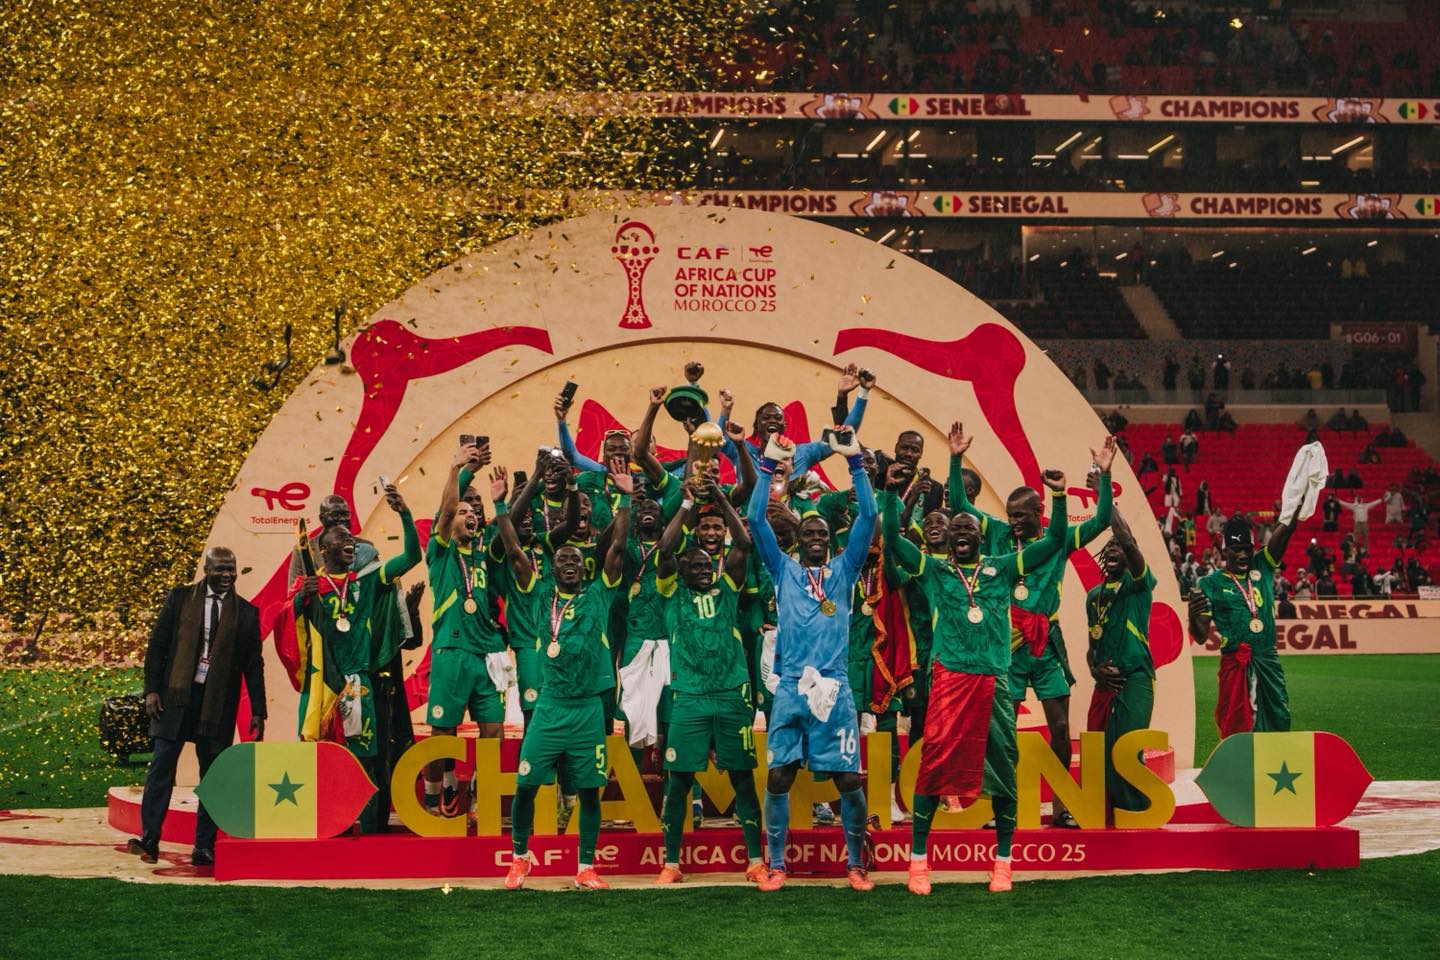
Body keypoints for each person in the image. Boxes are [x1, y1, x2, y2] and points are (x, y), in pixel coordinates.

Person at [884, 455, 1070, 894]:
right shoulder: (934, 570)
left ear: (980, 538)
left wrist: (1060, 496)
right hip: (949, 681)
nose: (963, 534)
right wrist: (891, 493)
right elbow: (891, 538)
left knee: (1004, 768)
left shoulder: (1002, 567)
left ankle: (1003, 862)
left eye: (969, 529)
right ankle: (918, 862)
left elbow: (1056, 540)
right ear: (949, 540)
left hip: (992, 681)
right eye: (957, 531)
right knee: (933, 769)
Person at [949, 425, 1115, 829]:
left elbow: (1101, 520)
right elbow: (960, 505)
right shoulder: (998, 534)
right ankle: (1002, 806)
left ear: (1038, 512)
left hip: (1045, 645)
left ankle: (1061, 805)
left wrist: (1105, 475)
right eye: (1010, 516)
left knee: (1059, 726)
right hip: (1007, 645)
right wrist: (955, 460)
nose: (1013, 523)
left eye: (1020, 516)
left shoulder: (1060, 538)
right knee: (1001, 729)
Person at [747, 427, 878, 892]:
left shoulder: (845, 569)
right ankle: (778, 865)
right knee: (779, 775)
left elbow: (869, 516)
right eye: (809, 533)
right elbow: (755, 519)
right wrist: (767, 467)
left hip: (834, 687)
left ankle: (856, 864)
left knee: (847, 780)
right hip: (789, 687)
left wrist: (856, 463)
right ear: (799, 540)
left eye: (823, 532)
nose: (817, 537)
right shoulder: (783, 569)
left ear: (830, 539)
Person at [499, 457, 632, 892]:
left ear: (584, 566)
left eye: (576, 558)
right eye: (563, 559)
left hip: (589, 709)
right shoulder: (539, 595)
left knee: (590, 791)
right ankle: (520, 857)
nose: (571, 562)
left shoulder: (599, 594)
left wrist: (627, 499)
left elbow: (617, 549)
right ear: (553, 568)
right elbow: (515, 553)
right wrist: (500, 507)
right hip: (550, 707)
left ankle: (586, 867)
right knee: (525, 785)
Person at [288, 482, 420, 832]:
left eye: (351, 537)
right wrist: (301, 599)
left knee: (366, 756)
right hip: (322, 683)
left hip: (359, 682)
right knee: (323, 756)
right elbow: (287, 625)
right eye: (341, 539)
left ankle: (370, 825)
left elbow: (411, 558)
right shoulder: (310, 584)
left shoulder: (368, 579)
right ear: (323, 547)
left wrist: (405, 514)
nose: (351, 542)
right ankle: (328, 822)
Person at [652, 477, 765, 885]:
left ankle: (756, 861)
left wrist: (718, 496)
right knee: (679, 781)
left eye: (707, 566)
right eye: (695, 566)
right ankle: (671, 863)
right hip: (690, 698)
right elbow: (666, 549)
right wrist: (686, 505)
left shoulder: (728, 589)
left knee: (742, 779)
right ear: (681, 571)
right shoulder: (671, 593)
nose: (703, 570)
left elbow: (743, 544)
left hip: (731, 695)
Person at [130, 547, 265, 866]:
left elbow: (253, 664)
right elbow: (157, 647)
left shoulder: (246, 613)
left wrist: (259, 710)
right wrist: (151, 690)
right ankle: (149, 840)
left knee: (213, 776)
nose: (227, 574)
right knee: (161, 767)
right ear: (206, 569)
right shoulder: (179, 598)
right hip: (175, 698)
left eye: (231, 569)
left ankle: (204, 847)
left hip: (217, 703)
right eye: (220, 569)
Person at [422, 442, 508, 815]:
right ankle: (432, 797)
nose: (470, 514)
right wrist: (458, 468)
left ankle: (477, 794)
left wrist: (500, 500)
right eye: (463, 511)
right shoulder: (440, 552)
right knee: (443, 732)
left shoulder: (484, 553)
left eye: (474, 512)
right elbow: (444, 511)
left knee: (494, 732)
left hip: (487, 654)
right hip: (452, 651)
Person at [1188, 481, 1302, 737]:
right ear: (1224, 550)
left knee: (1279, 718)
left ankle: (1273, 761)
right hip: (1235, 663)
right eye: (1236, 550)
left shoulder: (1263, 564)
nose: (1242, 556)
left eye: (1247, 550)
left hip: (1268, 660)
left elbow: (1286, 530)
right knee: (1237, 726)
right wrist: (1193, 616)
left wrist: (1296, 505)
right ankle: (1240, 762)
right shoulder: (1210, 583)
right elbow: (1200, 635)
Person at [1085, 507, 1155, 821]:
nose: (1114, 549)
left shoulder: (1139, 585)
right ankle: (1106, 815)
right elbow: (1092, 647)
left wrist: (1105, 496)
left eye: (1119, 547)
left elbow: (1127, 539)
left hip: (1135, 678)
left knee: (1127, 748)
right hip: (1103, 684)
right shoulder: (1094, 596)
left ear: (1130, 556)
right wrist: (1094, 669)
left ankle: (1136, 813)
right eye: (1109, 546)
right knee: (1099, 752)